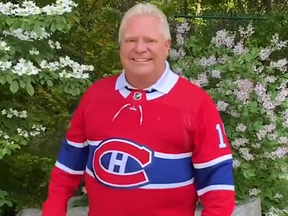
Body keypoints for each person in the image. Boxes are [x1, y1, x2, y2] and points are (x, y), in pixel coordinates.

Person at [42, 3, 235, 216]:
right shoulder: (94, 97)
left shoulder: (196, 104)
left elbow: (219, 189)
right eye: (131, 40)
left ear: (167, 45)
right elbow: (67, 169)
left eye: (150, 40)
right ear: (120, 46)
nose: (140, 48)